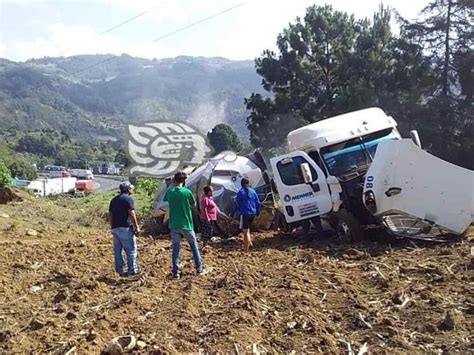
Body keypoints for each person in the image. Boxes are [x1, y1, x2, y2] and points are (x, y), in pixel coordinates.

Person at [164, 172, 207, 279]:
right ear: (184, 181)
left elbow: (166, 200)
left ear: (174, 180)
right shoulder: (187, 192)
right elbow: (194, 205)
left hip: (174, 224)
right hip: (186, 224)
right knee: (194, 246)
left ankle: (175, 272)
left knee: (176, 248)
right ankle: (199, 268)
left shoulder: (170, 192)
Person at [109, 181, 140, 277]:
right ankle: (132, 270)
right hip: (125, 227)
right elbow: (131, 213)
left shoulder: (114, 200)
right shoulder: (128, 199)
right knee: (131, 250)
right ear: (128, 189)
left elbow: (110, 215)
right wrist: (136, 226)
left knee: (118, 251)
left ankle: (120, 270)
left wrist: (112, 227)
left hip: (115, 228)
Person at [234, 177, 260, 252]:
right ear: (248, 184)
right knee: (247, 229)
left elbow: (237, 204)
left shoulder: (240, 192)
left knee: (245, 232)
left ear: (241, 184)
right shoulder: (253, 191)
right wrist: (258, 212)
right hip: (252, 213)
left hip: (245, 213)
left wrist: (233, 212)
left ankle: (246, 249)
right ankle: (250, 242)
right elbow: (257, 202)